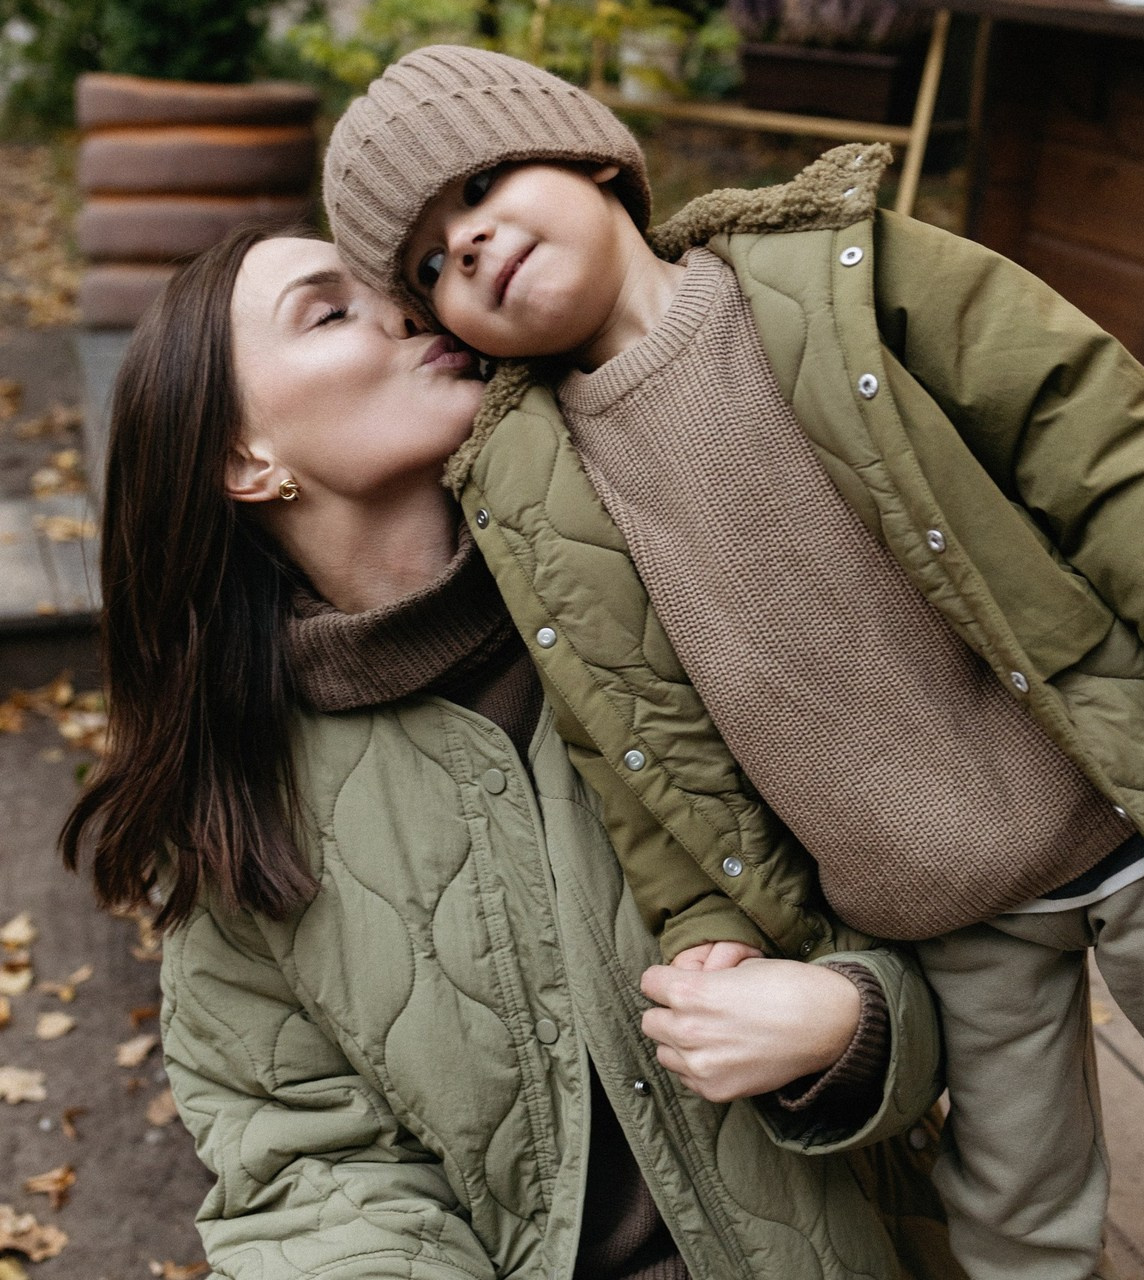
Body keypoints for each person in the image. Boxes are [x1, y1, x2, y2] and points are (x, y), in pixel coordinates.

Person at [322, 45, 1144, 1280]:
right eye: (426, 267)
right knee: (1012, 1209)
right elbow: (633, 742)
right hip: (938, 908)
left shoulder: (837, 274)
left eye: (478, 184)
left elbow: (1086, 424)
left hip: (1127, 796)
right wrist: (711, 917)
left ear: (594, 155)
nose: (468, 246)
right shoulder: (535, 485)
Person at [59, 224, 962, 1280]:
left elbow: (946, 885)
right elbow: (305, 1158)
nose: (407, 307)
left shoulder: (669, 586)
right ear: (244, 461)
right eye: (327, 310)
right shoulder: (232, 793)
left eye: (393, 287)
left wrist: (852, 1023)